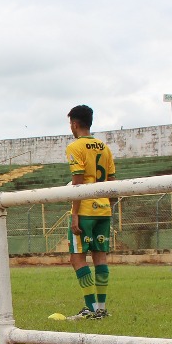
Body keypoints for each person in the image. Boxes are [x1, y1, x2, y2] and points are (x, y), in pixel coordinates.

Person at [63, 104, 116, 320]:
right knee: (100, 257)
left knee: (77, 258)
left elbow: (77, 182)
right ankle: (101, 309)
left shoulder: (75, 147)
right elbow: (113, 182)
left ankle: (90, 309)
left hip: (84, 210)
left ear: (74, 124)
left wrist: (75, 213)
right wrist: (107, 206)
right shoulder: (104, 147)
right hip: (103, 210)